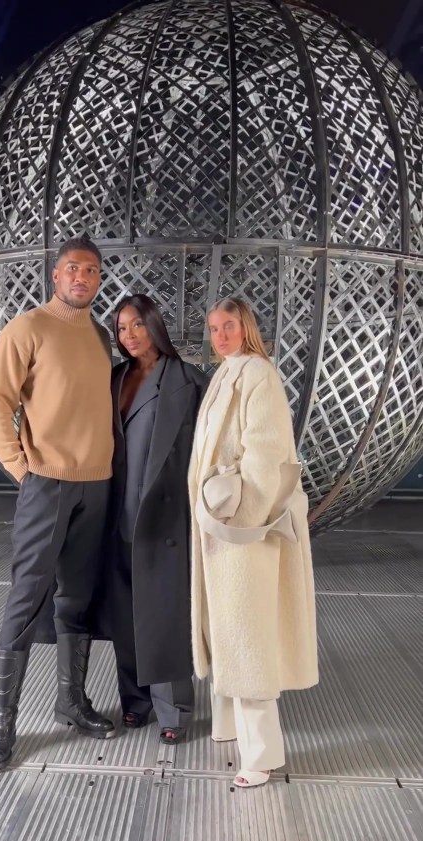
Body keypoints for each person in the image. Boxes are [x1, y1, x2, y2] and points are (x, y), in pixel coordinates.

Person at [0, 236, 116, 772]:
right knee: (27, 595)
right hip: (47, 484)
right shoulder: (28, 328)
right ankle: (0, 721)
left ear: (99, 281)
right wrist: (20, 468)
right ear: (56, 276)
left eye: (92, 271)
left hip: (96, 483)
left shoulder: (100, 337)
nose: (83, 277)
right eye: (73, 269)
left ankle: (71, 703)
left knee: (76, 598)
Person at [188, 297, 318, 786]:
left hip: (242, 531)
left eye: (230, 326)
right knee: (229, 631)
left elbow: (266, 456)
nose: (220, 335)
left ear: (248, 328)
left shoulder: (259, 374)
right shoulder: (227, 372)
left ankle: (260, 756)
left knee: (248, 639)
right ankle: (229, 727)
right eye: (214, 328)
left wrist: (239, 519)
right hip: (220, 525)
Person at [98, 294, 208, 743]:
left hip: (164, 515)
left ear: (155, 326)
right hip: (115, 511)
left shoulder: (187, 380)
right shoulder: (114, 378)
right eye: (122, 329)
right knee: (126, 614)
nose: (129, 336)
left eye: (137, 325)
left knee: (164, 614)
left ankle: (174, 711)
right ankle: (136, 702)